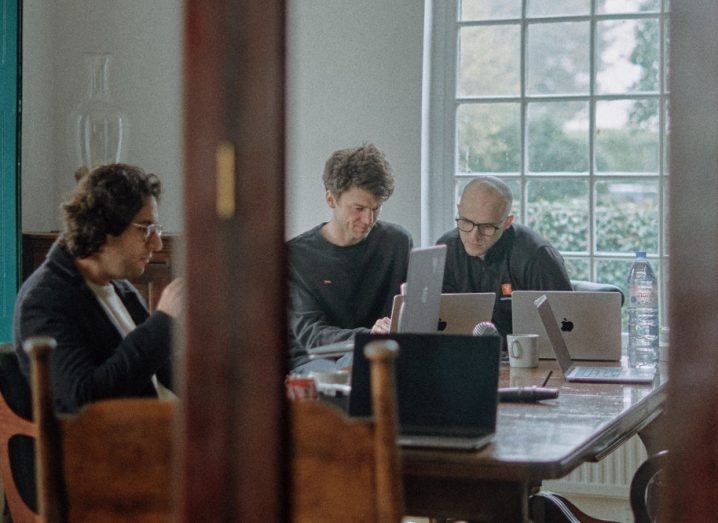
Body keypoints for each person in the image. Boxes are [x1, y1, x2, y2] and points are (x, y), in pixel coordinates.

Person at [13, 163, 183, 414]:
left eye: (155, 230)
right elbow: (84, 403)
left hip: (163, 435)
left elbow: (164, 370)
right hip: (121, 448)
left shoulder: (117, 286)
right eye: (146, 229)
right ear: (103, 227)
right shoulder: (43, 301)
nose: (156, 244)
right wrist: (163, 323)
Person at [287, 144, 413, 370]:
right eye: (358, 208)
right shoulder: (296, 256)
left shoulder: (398, 243)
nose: (368, 219)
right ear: (331, 200)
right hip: (315, 359)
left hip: (383, 355)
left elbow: (413, 309)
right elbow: (310, 334)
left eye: (376, 208)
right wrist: (369, 335)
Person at [437, 176, 571, 337]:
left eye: (486, 227)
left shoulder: (537, 257)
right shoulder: (445, 249)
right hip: (462, 351)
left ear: (507, 222)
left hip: (527, 357)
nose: (474, 236)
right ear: (459, 210)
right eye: (466, 222)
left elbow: (566, 330)